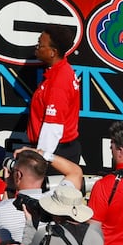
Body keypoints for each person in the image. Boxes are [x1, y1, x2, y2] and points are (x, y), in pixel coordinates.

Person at [27, 25, 81, 164]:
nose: (36, 47)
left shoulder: (58, 82)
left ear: (53, 52)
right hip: (58, 149)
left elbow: (53, 126)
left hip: (55, 151)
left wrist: (39, 160)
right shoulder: (59, 71)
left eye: (41, 45)